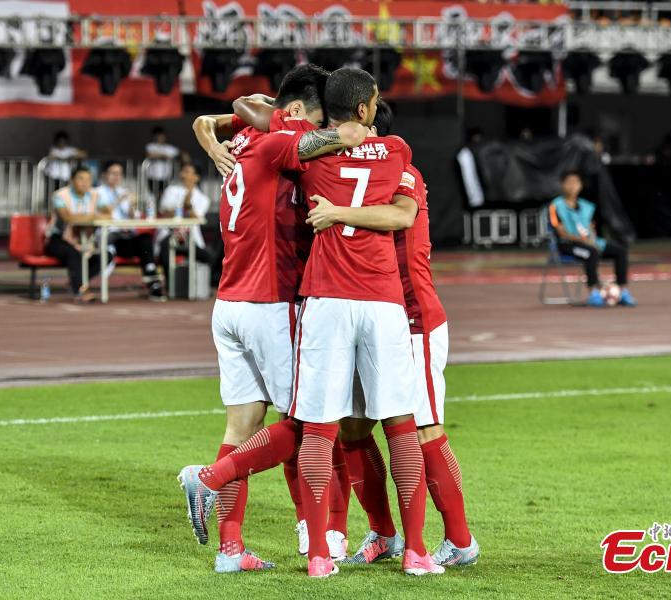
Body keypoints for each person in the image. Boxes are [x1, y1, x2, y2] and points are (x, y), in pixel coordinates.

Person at [177, 64, 368, 574]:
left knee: (243, 423)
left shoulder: (244, 139)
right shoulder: (281, 137)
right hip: (269, 300)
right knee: (306, 424)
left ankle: (231, 550)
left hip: (229, 303)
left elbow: (225, 115)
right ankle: (313, 534)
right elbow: (323, 140)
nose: (320, 132)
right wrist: (352, 131)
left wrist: (206, 131)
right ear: (300, 112)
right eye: (318, 120)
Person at [305, 99, 480, 567]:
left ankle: (460, 540)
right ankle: (383, 533)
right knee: (354, 428)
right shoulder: (358, 170)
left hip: (413, 318)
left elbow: (401, 216)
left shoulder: (405, 173)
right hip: (372, 312)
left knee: (423, 428)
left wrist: (337, 212)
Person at [548, 170, 636, 307]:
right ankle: (594, 293)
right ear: (562, 185)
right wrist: (584, 241)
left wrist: (592, 240)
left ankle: (622, 290)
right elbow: (561, 233)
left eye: (576, 182)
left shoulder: (586, 206)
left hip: (589, 242)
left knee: (620, 251)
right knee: (591, 252)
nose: (572, 186)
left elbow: (590, 229)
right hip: (567, 245)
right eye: (569, 182)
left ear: (581, 185)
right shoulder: (556, 206)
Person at [95, 161, 164, 301]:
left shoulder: (124, 191)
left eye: (119, 174)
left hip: (126, 236)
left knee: (145, 239)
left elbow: (134, 218)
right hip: (110, 237)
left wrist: (132, 206)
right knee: (118, 241)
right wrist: (119, 200)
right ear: (105, 175)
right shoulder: (97, 193)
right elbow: (104, 212)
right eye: (113, 173)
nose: (116, 177)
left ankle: (152, 279)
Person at [44, 166, 102, 303]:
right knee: (73, 254)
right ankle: (81, 290)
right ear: (72, 180)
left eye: (88, 179)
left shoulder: (95, 195)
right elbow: (67, 217)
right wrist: (92, 216)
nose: (85, 183)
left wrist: (87, 217)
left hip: (85, 241)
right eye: (81, 179)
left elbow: (108, 214)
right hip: (58, 240)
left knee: (105, 255)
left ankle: (75, 280)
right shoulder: (60, 195)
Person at [156, 162, 212, 291]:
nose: (182, 175)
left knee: (209, 257)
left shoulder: (203, 198)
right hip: (171, 235)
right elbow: (164, 212)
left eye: (187, 171)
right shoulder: (171, 190)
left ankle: (204, 286)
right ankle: (171, 287)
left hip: (190, 238)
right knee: (166, 247)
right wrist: (182, 204)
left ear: (196, 177)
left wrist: (188, 205)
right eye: (182, 171)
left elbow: (197, 219)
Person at [145, 126, 180, 203]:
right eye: (158, 136)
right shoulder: (151, 146)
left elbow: (178, 155)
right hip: (152, 176)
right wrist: (164, 156)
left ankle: (161, 212)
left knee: (164, 196)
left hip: (165, 176)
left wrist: (159, 155)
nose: (160, 138)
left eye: (162, 135)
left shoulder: (170, 148)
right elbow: (149, 154)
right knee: (153, 196)